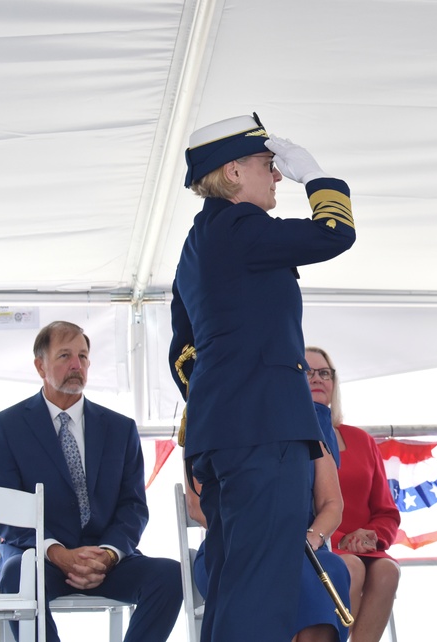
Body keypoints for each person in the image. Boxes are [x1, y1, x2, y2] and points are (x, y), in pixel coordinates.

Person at [169, 113, 356, 642]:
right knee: (263, 591)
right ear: (233, 172)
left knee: (235, 585)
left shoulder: (196, 243)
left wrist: (223, 402)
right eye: (268, 165)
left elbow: (183, 353)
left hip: (226, 432)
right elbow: (334, 234)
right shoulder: (239, 225)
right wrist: (318, 179)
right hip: (264, 430)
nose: (278, 176)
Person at [0, 321, 181, 642]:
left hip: (107, 560)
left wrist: (107, 554)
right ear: (40, 366)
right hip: (41, 558)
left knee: (170, 575)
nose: (77, 365)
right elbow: (6, 511)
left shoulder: (120, 429)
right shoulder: (7, 427)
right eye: (64, 356)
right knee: (16, 575)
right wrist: (58, 553)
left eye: (83, 356)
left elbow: (133, 506)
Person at [183, 401, 352, 642]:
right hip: (232, 547)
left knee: (328, 569)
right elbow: (197, 506)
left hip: (301, 546)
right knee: (281, 580)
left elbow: (332, 504)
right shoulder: (211, 410)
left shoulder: (305, 417)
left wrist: (312, 538)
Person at [306, 346, 401, 642]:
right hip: (318, 545)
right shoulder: (289, 440)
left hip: (364, 547)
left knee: (388, 571)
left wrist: (371, 534)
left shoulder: (361, 439)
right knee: (350, 567)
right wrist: (338, 539)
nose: (317, 379)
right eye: (306, 372)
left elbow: (387, 511)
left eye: (324, 373)